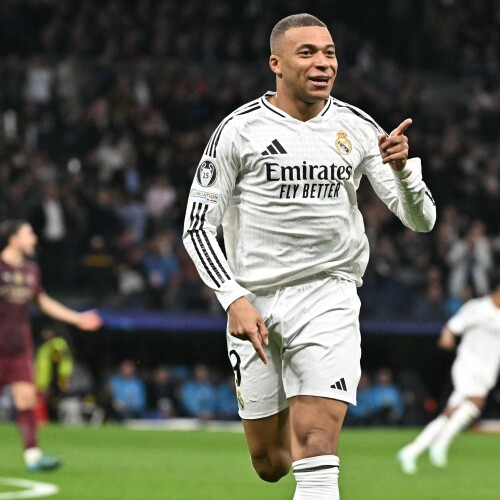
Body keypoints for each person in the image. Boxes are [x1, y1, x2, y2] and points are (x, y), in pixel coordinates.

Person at [182, 13, 436, 499]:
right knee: (271, 463)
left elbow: (421, 220)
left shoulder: (356, 127)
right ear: (275, 64)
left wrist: (404, 172)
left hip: (328, 295)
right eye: (308, 53)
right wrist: (233, 298)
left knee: (317, 443)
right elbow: (197, 227)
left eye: (330, 53)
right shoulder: (239, 130)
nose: (323, 63)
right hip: (254, 302)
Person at [0, 219, 102, 472]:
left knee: (26, 399)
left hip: (19, 347)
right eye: (29, 234)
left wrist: (77, 318)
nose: (34, 238)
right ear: (13, 238)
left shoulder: (31, 271)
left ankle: (33, 457)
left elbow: (43, 301)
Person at [397, 272, 500, 474]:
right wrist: (447, 336)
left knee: (452, 411)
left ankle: (413, 451)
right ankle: (439, 444)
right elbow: (453, 326)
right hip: (468, 366)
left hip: (487, 372)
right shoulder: (478, 308)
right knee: (475, 402)